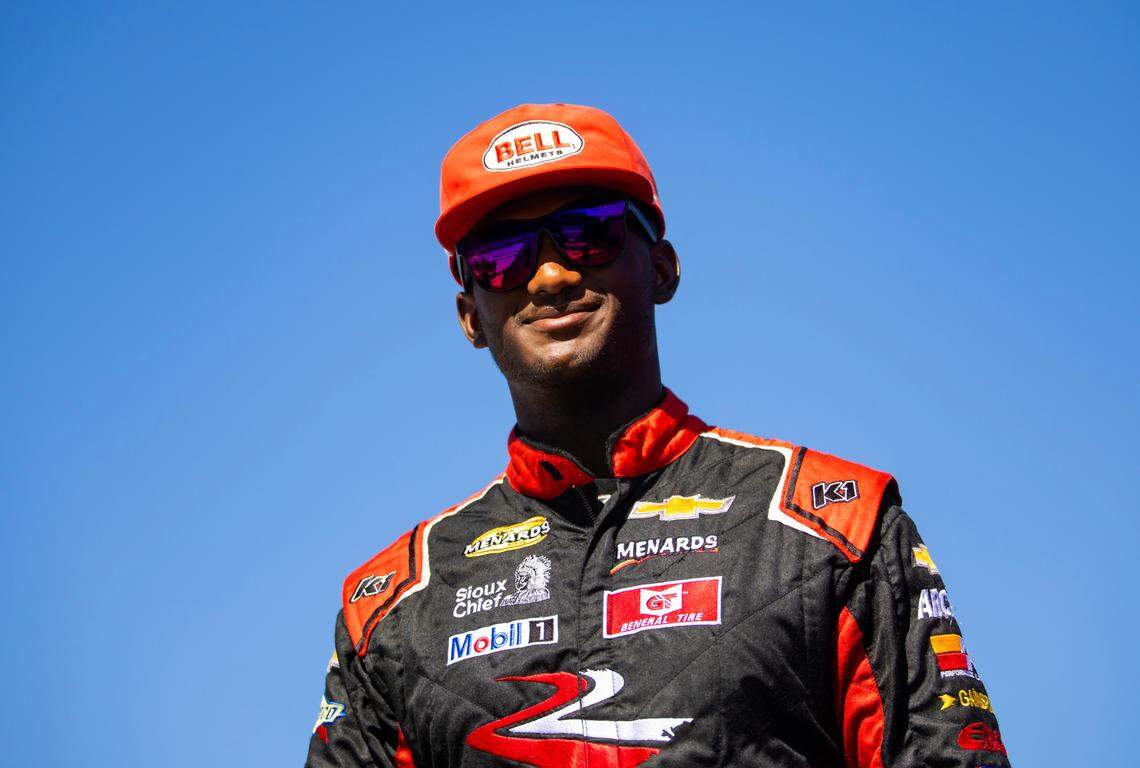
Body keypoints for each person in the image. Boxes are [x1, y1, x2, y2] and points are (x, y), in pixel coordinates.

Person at [305, 103, 1010, 767]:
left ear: (663, 268)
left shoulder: (833, 521)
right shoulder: (393, 604)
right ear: (469, 313)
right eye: (502, 255)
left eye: (590, 232)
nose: (549, 275)